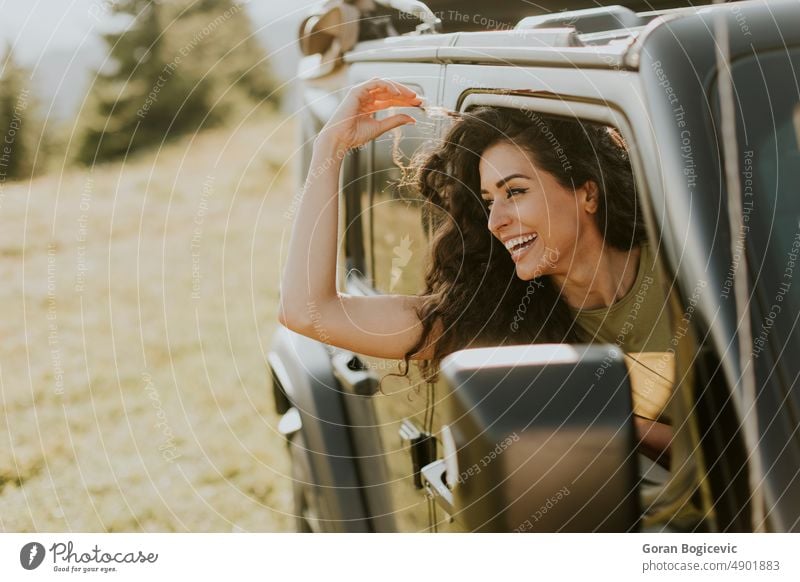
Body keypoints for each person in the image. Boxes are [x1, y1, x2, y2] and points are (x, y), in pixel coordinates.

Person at [279, 78, 679, 466]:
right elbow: (306, 309)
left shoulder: (687, 268)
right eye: (488, 201)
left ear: (587, 193)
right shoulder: (502, 322)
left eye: (515, 192)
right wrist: (328, 149)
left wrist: (611, 419)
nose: (495, 221)